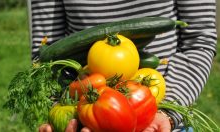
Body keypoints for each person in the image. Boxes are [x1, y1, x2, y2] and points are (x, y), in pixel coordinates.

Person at [27, 0, 217, 131]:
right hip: (86, 121)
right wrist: (61, 113)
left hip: (163, 123)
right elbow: (46, 56)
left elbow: (199, 41)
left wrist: (168, 112)